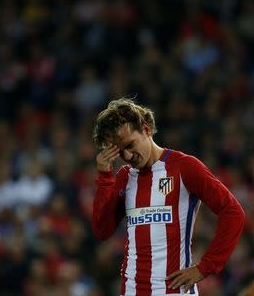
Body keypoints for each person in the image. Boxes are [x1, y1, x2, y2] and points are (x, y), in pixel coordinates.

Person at [91, 98, 245, 296]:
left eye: (130, 145)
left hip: (174, 292)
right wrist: (104, 177)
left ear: (146, 129)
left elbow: (233, 212)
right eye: (120, 152)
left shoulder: (184, 167)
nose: (128, 156)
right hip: (131, 290)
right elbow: (102, 231)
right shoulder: (124, 177)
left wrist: (205, 267)